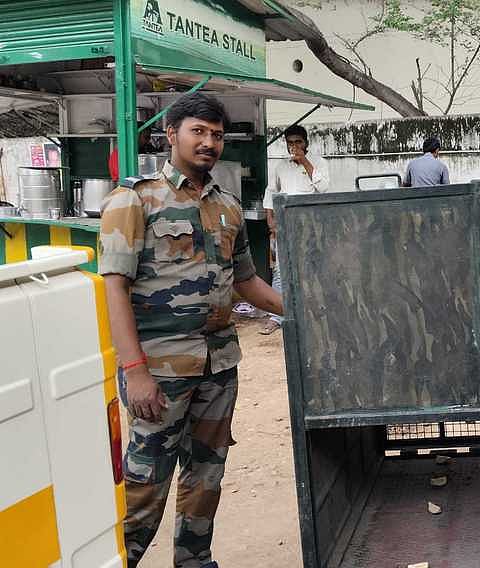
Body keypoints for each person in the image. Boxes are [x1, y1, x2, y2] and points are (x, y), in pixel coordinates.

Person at [99, 92, 283, 568]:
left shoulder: (226, 207)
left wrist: (306, 308)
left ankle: (194, 561)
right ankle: (121, 560)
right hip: (159, 371)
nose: (208, 143)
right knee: (145, 481)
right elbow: (115, 290)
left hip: (219, 366)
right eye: (197, 132)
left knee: (206, 477)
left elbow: (245, 282)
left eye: (216, 135)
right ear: (171, 135)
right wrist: (135, 371)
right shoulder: (134, 200)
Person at [259, 124, 329, 335]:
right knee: (281, 269)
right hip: (286, 224)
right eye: (290, 143)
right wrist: (270, 220)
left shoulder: (319, 162)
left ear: (306, 143)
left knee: (312, 268)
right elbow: (271, 192)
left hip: (311, 224)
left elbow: (323, 188)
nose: (294, 146)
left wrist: (304, 161)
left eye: (298, 142)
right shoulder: (281, 167)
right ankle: (276, 316)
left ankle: (314, 312)